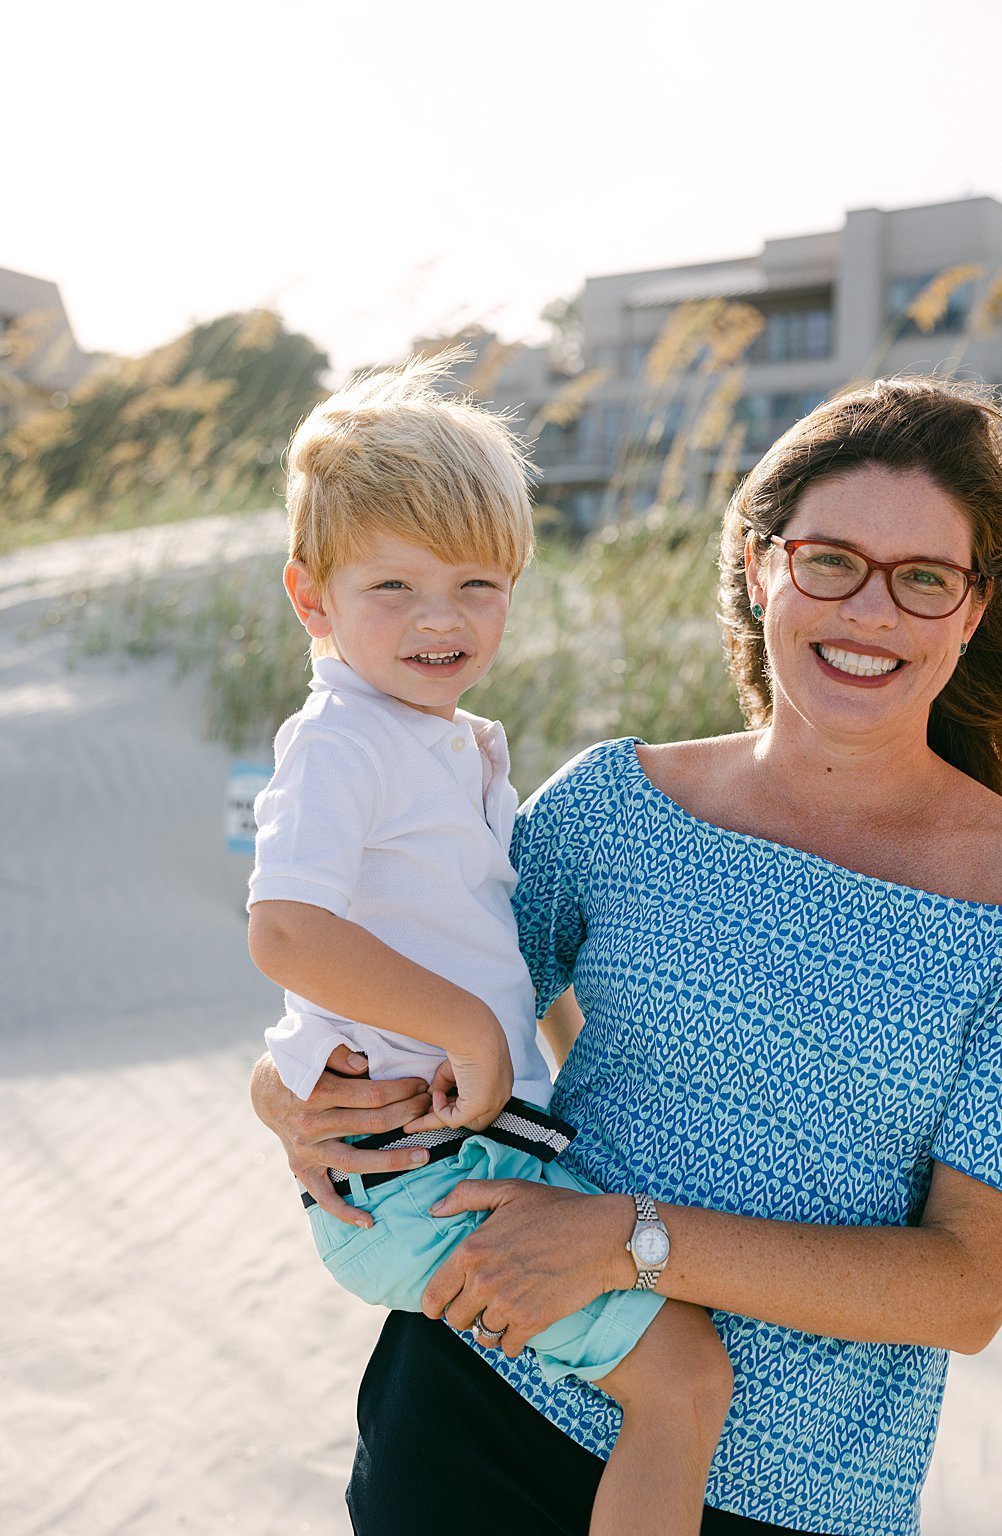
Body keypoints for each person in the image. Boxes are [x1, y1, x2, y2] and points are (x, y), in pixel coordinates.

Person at [252, 376, 1002, 1536]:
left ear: (971, 612)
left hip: (802, 1497)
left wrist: (630, 1244)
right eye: (827, 559)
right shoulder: (615, 806)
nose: (869, 610)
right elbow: (416, 977)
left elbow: (968, 1291)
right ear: (760, 564)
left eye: (921, 578)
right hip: (474, 1414)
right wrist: (281, 1095)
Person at [246, 357, 731, 1535]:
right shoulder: (343, 740)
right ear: (312, 601)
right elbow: (285, 928)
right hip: (413, 1177)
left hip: (445, 1156)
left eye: (477, 583)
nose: (441, 619)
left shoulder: (454, 746)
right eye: (394, 585)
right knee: (684, 1382)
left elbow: (494, 952)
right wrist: (463, 1031)